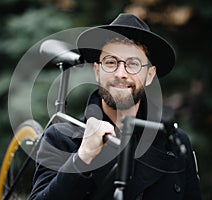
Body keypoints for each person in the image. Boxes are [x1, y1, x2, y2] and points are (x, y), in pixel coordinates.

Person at [29, 13, 202, 200]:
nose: (121, 73)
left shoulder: (175, 143)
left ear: (150, 75)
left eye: (133, 64)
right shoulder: (62, 137)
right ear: (97, 70)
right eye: (111, 62)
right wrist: (82, 157)